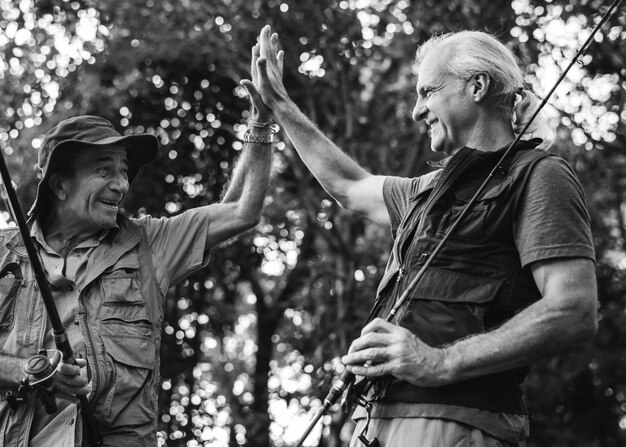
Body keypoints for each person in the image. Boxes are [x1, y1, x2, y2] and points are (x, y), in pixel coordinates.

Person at [252, 25, 598, 446]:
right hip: (375, 423)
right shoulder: (424, 192)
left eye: (427, 92)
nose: (417, 111)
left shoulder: (540, 175)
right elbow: (346, 184)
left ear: (477, 86)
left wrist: (442, 362)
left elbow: (574, 308)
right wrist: (279, 104)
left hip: (456, 423)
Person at [0, 38, 275, 446]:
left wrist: (261, 123)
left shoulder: (150, 242)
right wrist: (29, 370)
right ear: (59, 185)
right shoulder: (5, 251)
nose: (121, 184)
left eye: (123, 170)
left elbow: (241, 209)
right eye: (103, 170)